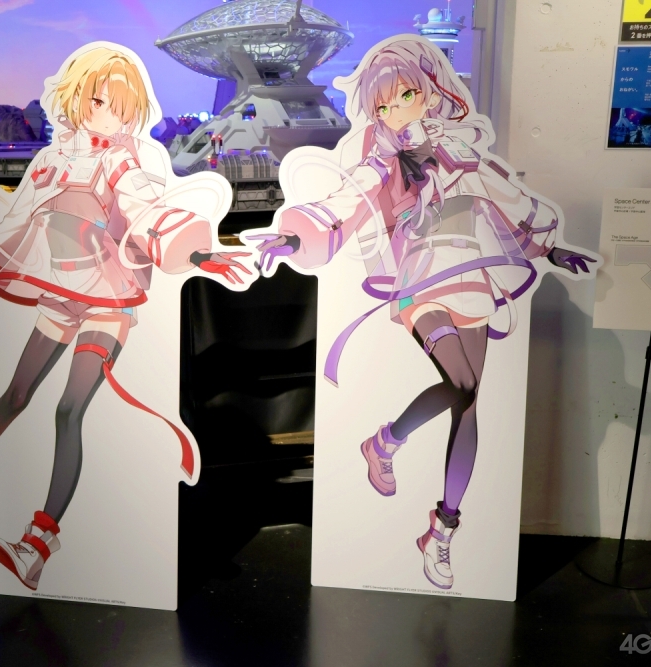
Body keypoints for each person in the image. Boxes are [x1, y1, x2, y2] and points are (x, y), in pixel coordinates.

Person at [251, 38, 594, 590]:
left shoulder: (464, 152)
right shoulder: (383, 160)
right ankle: (387, 440)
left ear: (430, 92)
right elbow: (346, 202)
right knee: (462, 384)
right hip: (420, 280)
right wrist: (294, 237)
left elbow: (512, 203)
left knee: (469, 405)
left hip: (472, 278)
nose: (395, 112)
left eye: (404, 96)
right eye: (383, 105)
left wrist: (552, 250)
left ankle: (441, 530)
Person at [0, 46, 249, 590]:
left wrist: (197, 254)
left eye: (119, 107)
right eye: (98, 101)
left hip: (108, 299)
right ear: (75, 98)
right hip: (60, 293)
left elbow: (148, 214)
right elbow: (16, 225)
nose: (107, 115)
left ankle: (37, 543)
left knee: (69, 411)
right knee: (15, 395)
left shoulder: (122, 162)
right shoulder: (50, 160)